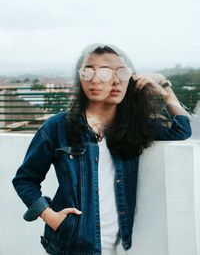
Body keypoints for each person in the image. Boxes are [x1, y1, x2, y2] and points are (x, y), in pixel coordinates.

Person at [12, 43, 192, 255]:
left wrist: (165, 88)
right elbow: (25, 179)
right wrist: (49, 215)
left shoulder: (134, 126)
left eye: (122, 73)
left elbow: (182, 129)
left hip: (113, 245)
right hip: (71, 244)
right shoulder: (57, 127)